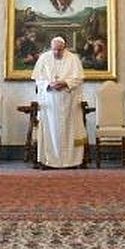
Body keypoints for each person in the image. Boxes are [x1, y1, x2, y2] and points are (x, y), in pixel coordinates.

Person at [31, 36, 86, 169]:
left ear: (64, 48)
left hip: (69, 104)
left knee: (69, 130)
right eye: (54, 50)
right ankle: (50, 160)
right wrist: (49, 84)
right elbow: (38, 78)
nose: (56, 53)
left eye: (59, 50)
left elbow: (79, 79)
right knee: (50, 132)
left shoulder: (73, 59)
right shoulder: (44, 58)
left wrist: (65, 83)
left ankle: (71, 161)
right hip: (50, 104)